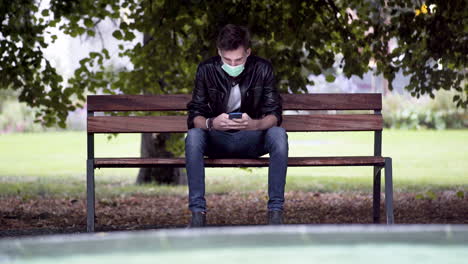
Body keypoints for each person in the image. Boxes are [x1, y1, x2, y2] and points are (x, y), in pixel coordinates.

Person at [185, 24, 288, 227]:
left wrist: (254, 124)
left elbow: (274, 115)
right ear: (219, 53)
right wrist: (211, 123)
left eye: (239, 59)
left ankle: (275, 214)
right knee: (194, 137)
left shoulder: (263, 68)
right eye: (227, 60)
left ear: (248, 52)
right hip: (218, 139)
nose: (233, 64)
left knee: (278, 134)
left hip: (252, 139)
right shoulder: (206, 70)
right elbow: (194, 115)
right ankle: (197, 214)